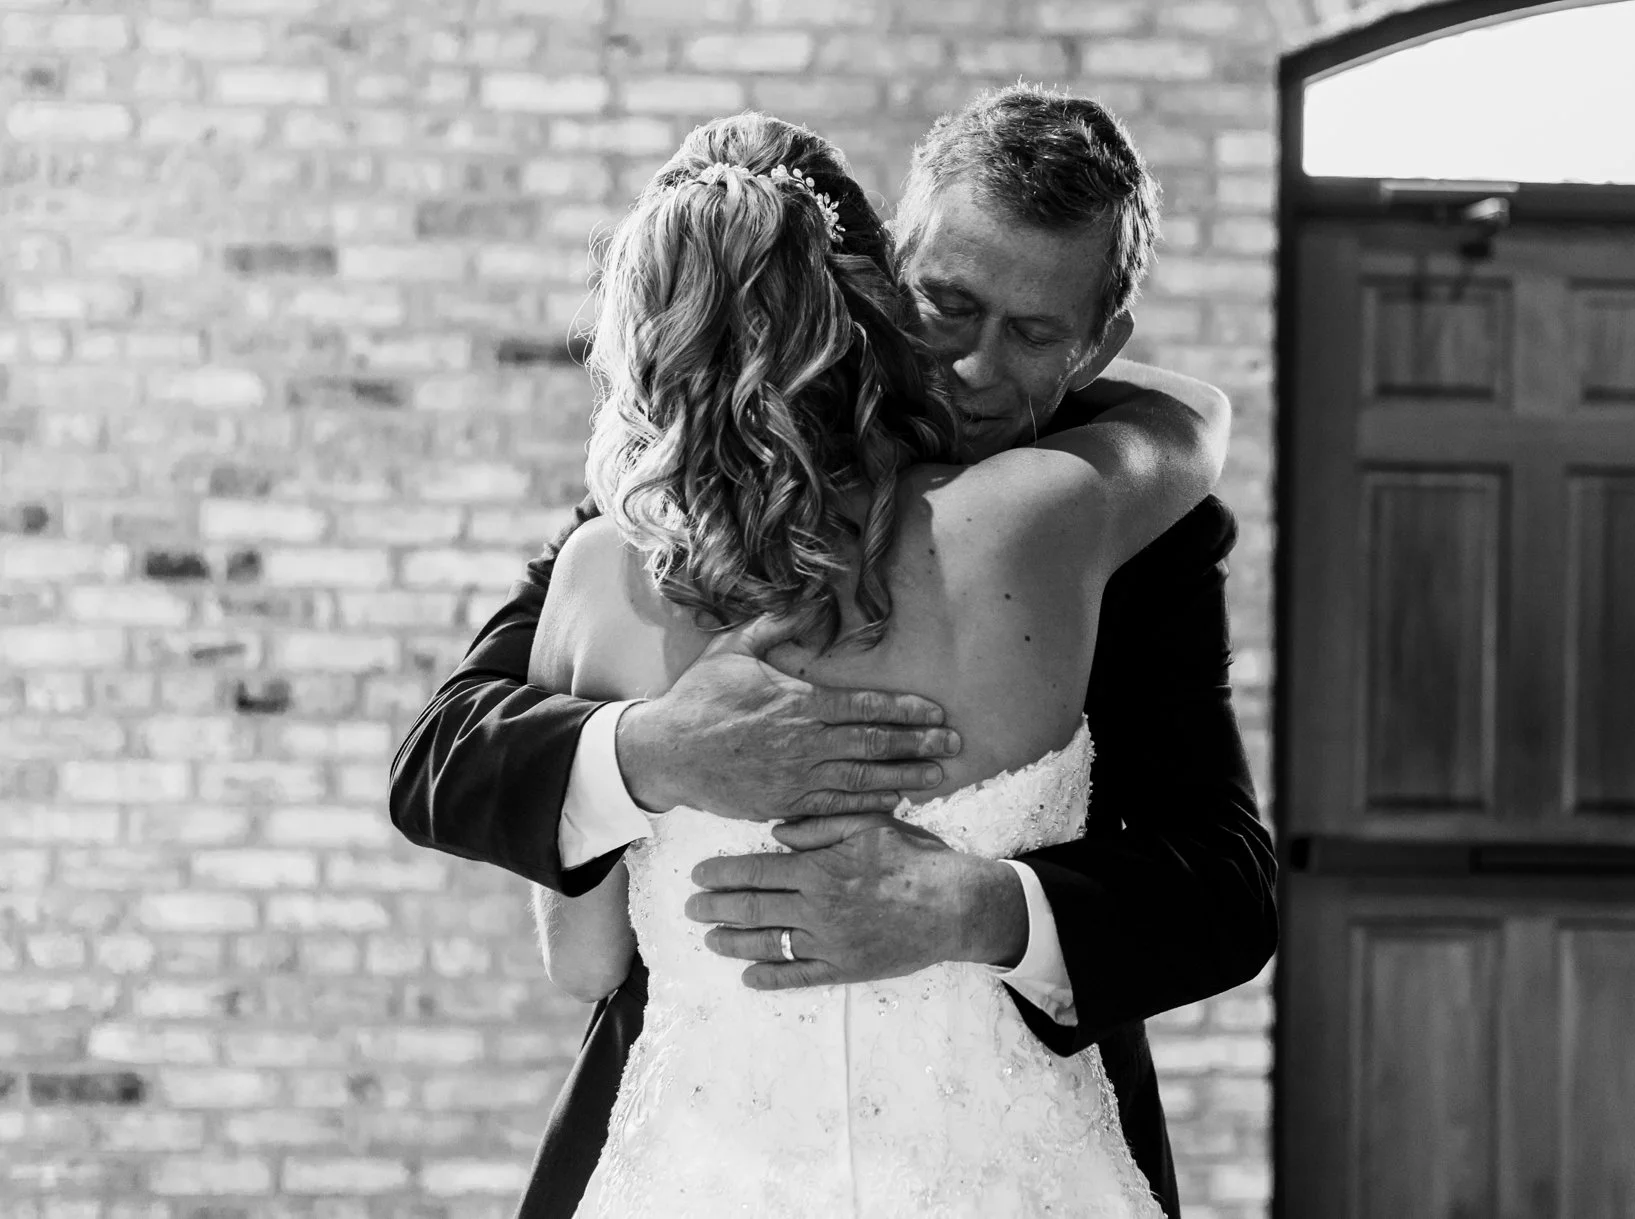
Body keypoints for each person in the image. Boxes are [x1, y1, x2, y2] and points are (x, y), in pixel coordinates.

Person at [389, 86, 1277, 1219]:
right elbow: (444, 751)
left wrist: (978, 906)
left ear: (1100, 344)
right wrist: (650, 750)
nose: (975, 368)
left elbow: (1228, 888)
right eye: (949, 303)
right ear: (885, 272)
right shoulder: (661, 516)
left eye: (1034, 333)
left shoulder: (1137, 529)